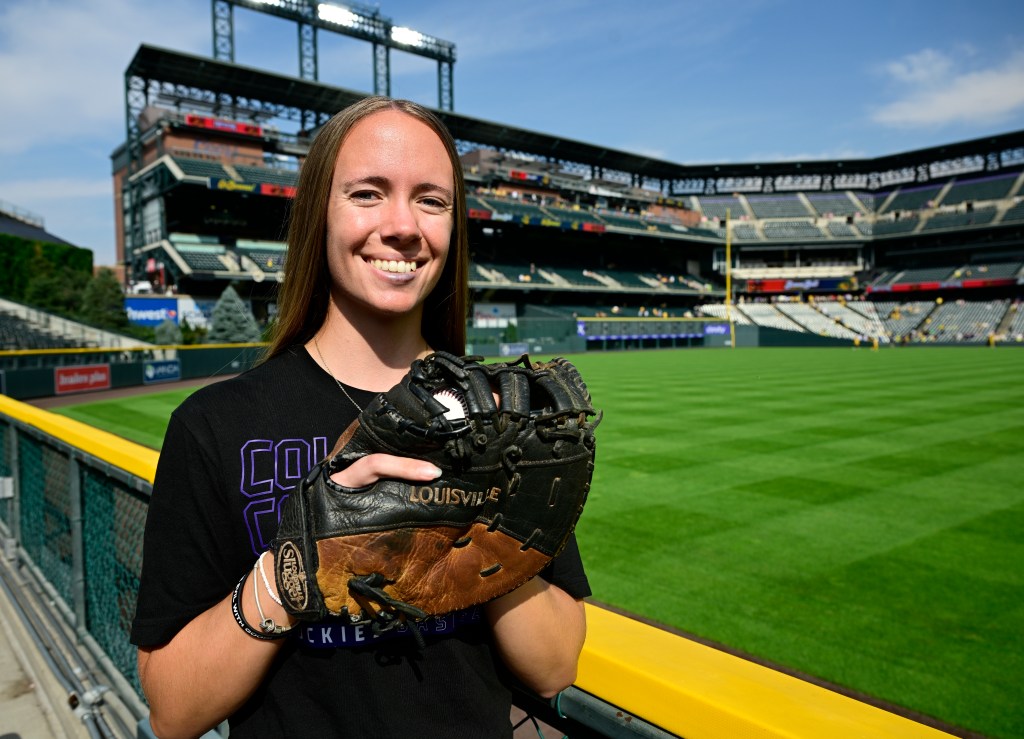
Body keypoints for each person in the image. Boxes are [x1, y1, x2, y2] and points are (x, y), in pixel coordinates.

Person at [130, 97, 590, 738]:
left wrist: (478, 522)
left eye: (431, 200)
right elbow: (173, 711)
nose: (403, 225)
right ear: (319, 214)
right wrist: (296, 567)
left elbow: (554, 667)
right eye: (368, 194)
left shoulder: (499, 416)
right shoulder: (215, 425)